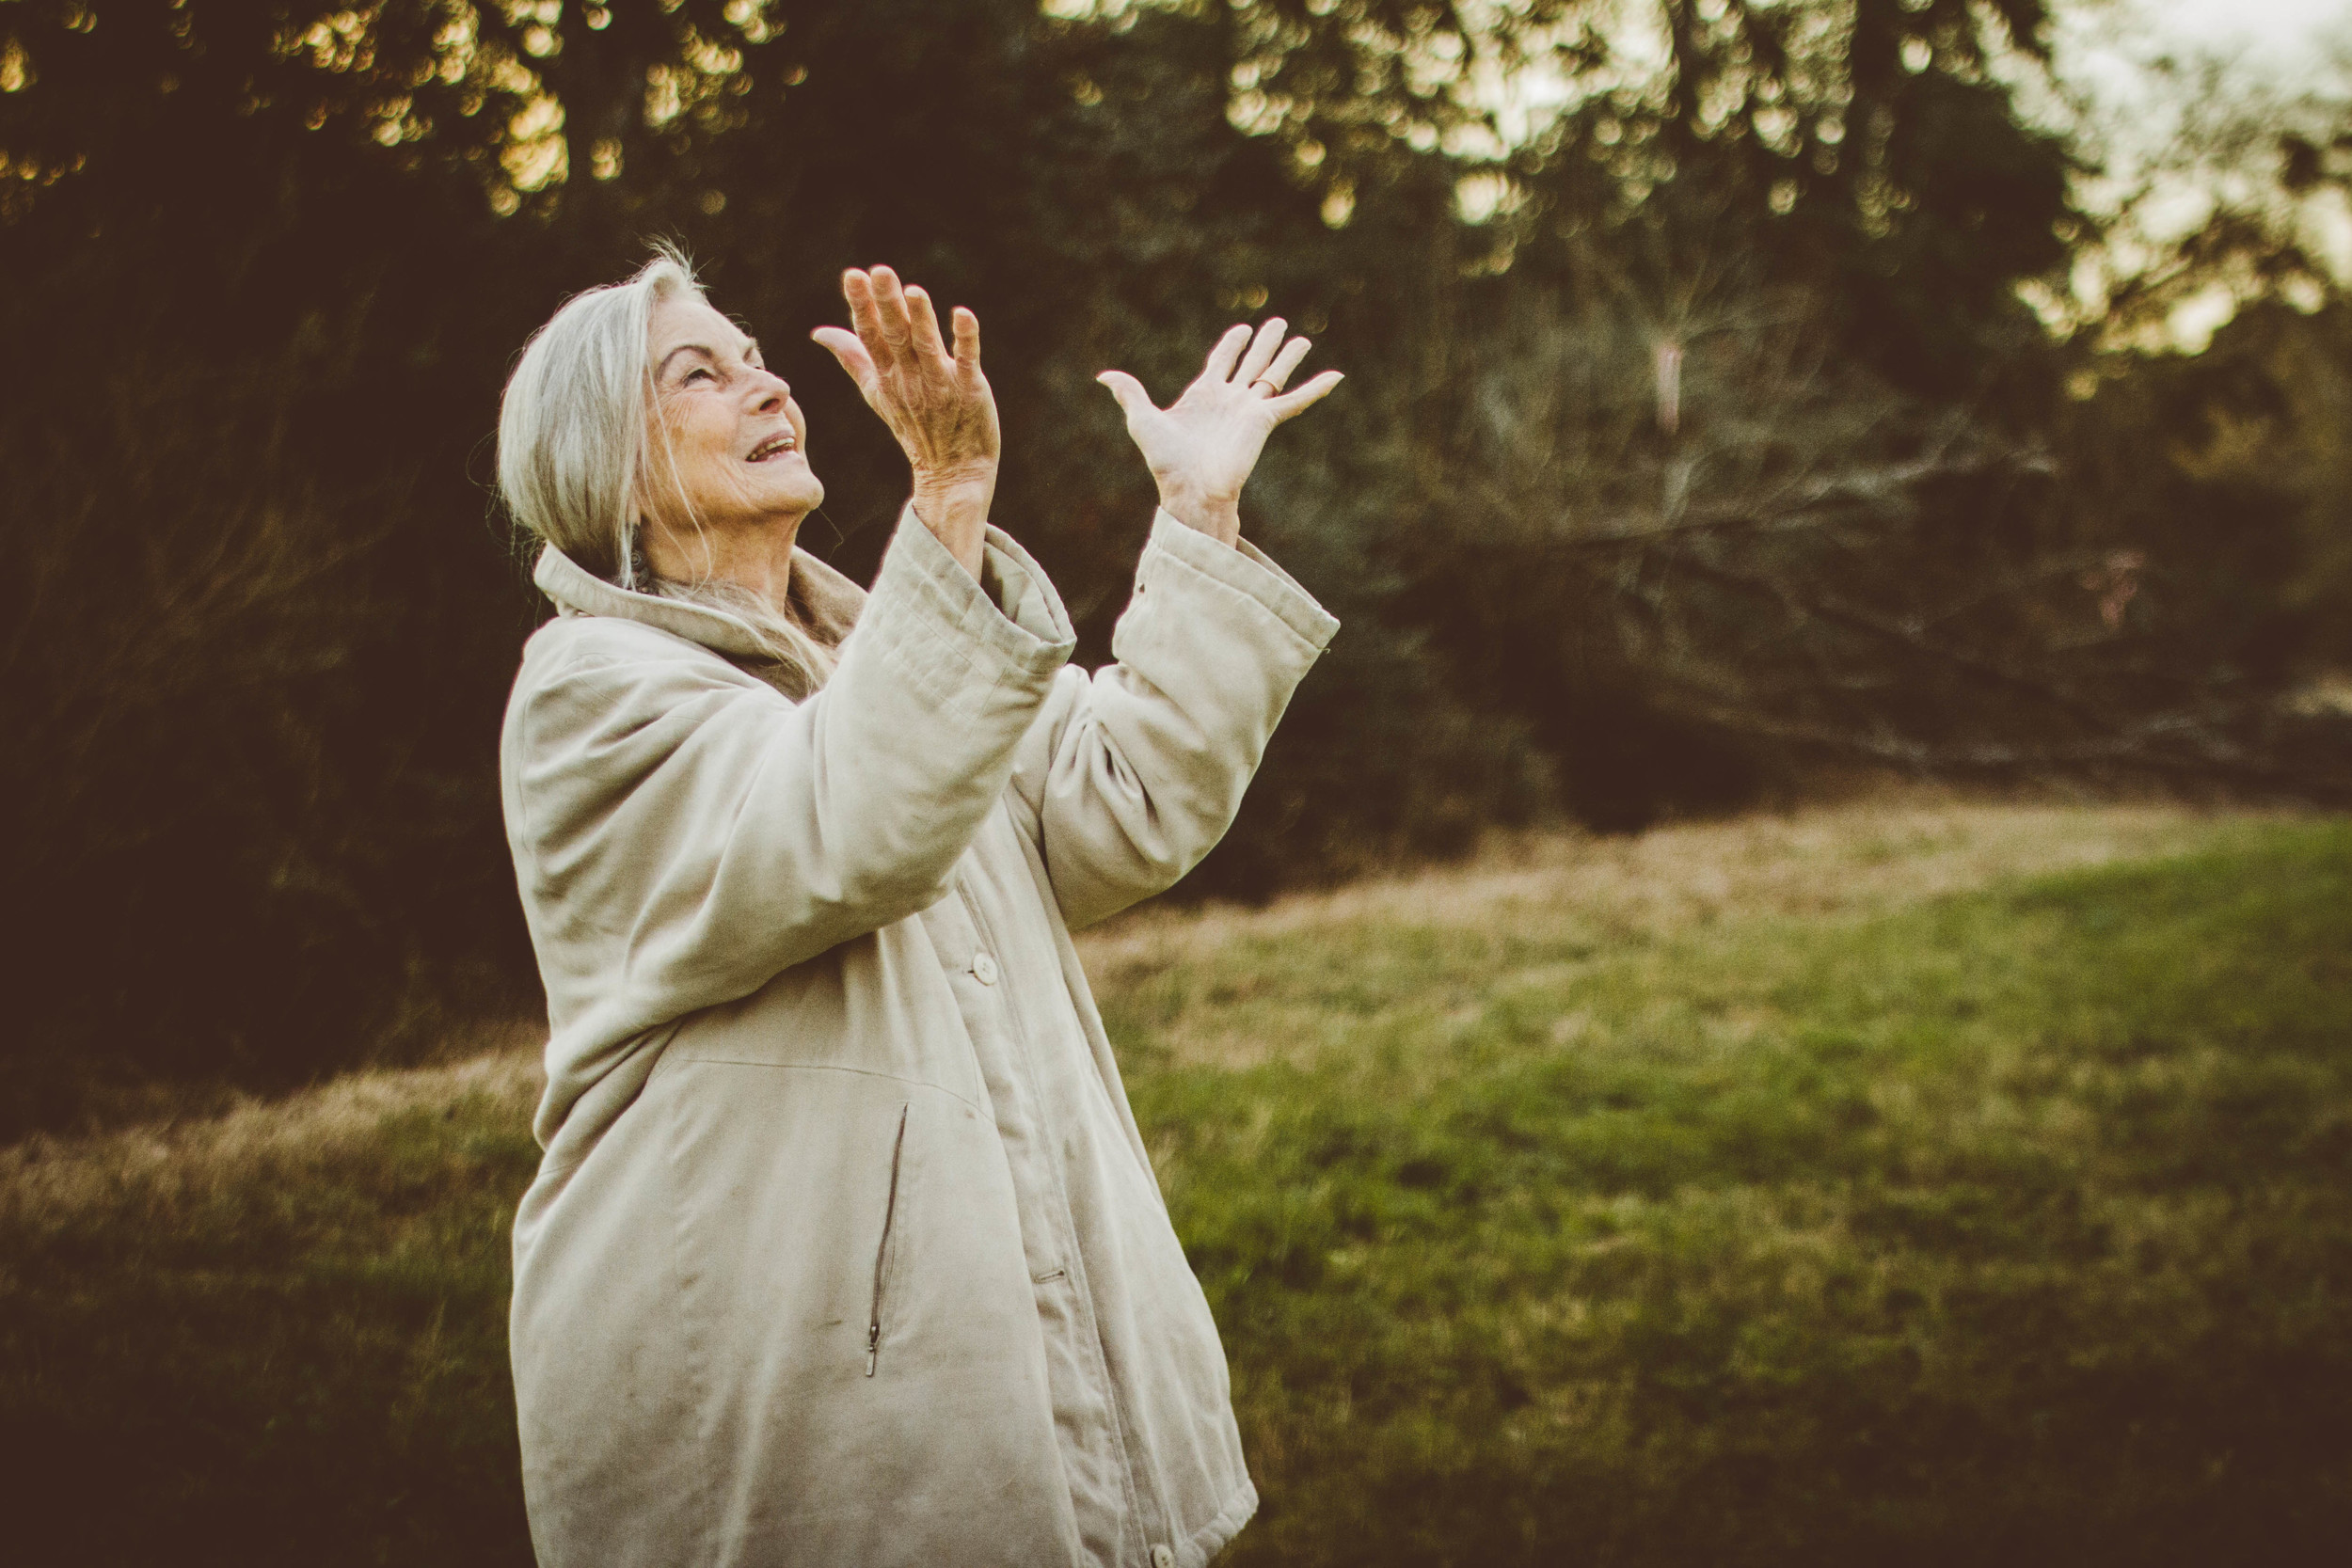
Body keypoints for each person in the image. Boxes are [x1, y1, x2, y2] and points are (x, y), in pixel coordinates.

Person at [492, 244, 1343, 1568]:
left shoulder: (882, 645)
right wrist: (947, 490)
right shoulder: (589, 694)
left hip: (1003, 1327)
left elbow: (1124, 805)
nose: (766, 385)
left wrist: (1196, 515)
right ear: (604, 460)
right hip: (773, 1382)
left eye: (760, 357)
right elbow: (857, 822)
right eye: (699, 373)